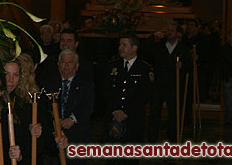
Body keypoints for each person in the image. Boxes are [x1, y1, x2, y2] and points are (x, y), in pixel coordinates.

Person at [104, 35, 153, 165]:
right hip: (113, 119)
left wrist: (126, 112)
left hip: (133, 120)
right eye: (120, 45)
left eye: (124, 45)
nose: (120, 48)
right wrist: (115, 110)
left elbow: (145, 95)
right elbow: (106, 91)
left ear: (134, 47)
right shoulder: (112, 67)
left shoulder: (144, 68)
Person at [42, 49, 93, 164]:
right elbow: (44, 108)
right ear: (58, 64)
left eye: (70, 62)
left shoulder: (85, 84)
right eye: (63, 62)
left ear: (77, 65)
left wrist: (72, 119)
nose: (66, 66)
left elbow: (88, 106)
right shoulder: (49, 85)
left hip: (76, 136)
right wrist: (55, 121)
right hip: (54, 138)